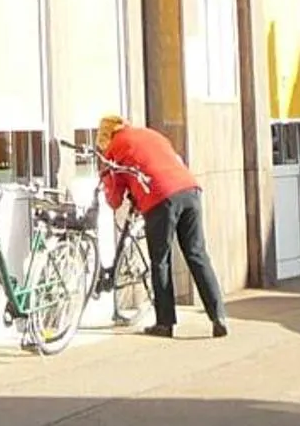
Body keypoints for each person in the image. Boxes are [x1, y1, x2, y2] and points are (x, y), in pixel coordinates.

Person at [96, 112, 228, 338]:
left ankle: (165, 323)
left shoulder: (115, 148)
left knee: (161, 260)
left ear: (106, 136)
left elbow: (114, 198)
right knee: (197, 254)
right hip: (190, 190)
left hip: (160, 198)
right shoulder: (149, 133)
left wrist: (111, 184)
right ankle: (218, 317)